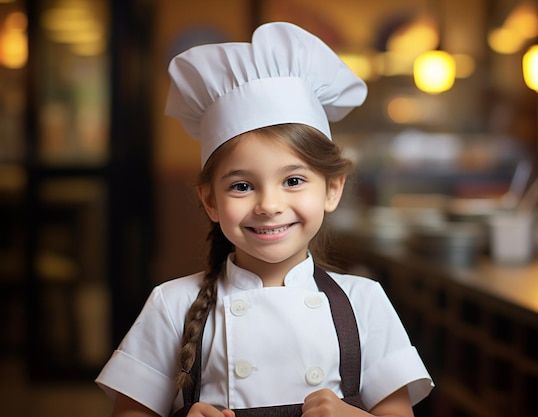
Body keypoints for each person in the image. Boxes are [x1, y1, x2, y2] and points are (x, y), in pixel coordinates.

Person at [96, 21, 433, 417]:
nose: (268, 205)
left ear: (332, 189)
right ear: (210, 200)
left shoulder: (365, 302)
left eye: (293, 180)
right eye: (241, 186)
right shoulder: (172, 305)